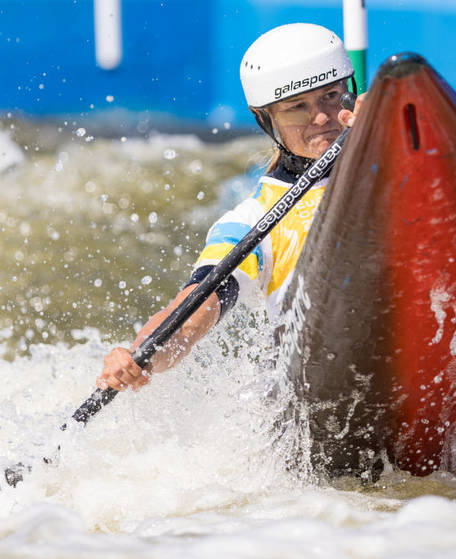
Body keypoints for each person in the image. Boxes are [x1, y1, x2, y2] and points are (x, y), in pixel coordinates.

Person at [97, 23, 365, 392]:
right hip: (322, 390)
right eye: (298, 107)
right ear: (264, 119)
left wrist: (390, 122)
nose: (321, 117)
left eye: (332, 96)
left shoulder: (386, 156)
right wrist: (142, 355)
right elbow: (193, 311)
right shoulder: (249, 222)